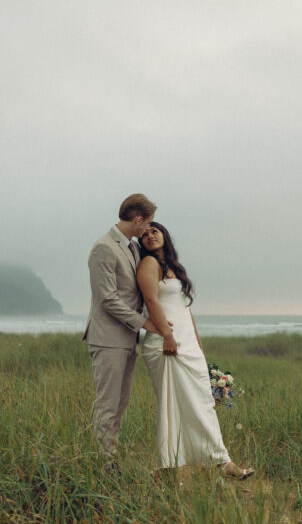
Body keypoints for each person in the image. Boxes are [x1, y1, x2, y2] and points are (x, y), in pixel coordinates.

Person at [137, 221, 254, 479]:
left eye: (154, 231)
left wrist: (198, 345)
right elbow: (151, 300)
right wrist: (167, 335)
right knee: (174, 408)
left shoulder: (174, 268)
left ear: (164, 235)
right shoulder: (148, 265)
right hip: (166, 345)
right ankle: (170, 470)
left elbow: (185, 311)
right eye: (144, 234)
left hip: (187, 344)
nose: (149, 236)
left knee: (202, 403)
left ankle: (220, 462)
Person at [84, 193, 161, 462]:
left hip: (127, 339)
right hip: (107, 338)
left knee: (120, 403)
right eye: (148, 222)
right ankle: (104, 463)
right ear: (138, 219)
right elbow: (107, 298)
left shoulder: (133, 247)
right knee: (107, 404)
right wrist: (145, 323)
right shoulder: (103, 247)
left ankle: (109, 455)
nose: (148, 228)